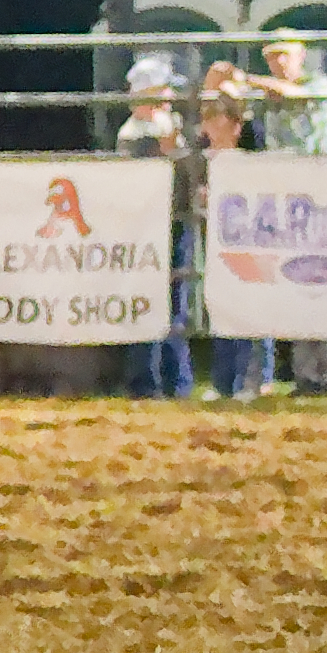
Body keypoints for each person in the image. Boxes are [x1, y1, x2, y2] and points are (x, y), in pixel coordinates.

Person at [240, 37, 327, 395]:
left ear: (301, 57)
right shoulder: (272, 93)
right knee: (296, 280)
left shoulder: (319, 84)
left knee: (325, 279)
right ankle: (306, 374)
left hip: (323, 194)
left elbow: (294, 95)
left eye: (284, 55)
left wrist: (247, 80)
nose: (278, 63)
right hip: (287, 197)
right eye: (272, 57)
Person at [193, 66, 274, 400]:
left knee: (253, 304)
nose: (212, 123)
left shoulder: (251, 158)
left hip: (248, 239)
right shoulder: (203, 157)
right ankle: (225, 381)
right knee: (222, 304)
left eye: (220, 116)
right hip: (218, 240)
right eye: (210, 116)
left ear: (236, 124)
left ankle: (255, 379)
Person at [117, 58, 195, 400]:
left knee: (172, 301)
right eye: (163, 90)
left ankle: (170, 381)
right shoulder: (137, 132)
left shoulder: (156, 125)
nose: (169, 97)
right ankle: (152, 382)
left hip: (169, 221)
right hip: (151, 223)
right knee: (153, 301)